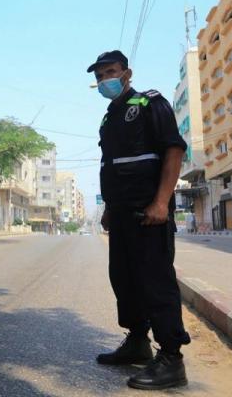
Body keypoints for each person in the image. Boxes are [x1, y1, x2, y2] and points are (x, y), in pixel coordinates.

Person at [89, 50, 191, 390]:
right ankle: (137, 341)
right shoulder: (109, 118)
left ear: (127, 74)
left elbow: (174, 150)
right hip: (120, 215)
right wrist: (108, 208)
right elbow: (110, 166)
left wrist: (161, 202)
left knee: (155, 282)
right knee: (124, 279)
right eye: (100, 77)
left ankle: (172, 358)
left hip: (149, 213)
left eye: (110, 72)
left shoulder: (150, 104)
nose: (105, 80)